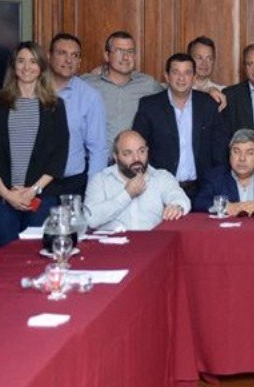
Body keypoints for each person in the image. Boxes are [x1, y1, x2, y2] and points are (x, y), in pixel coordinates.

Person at [132, 53, 229, 199]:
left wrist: (217, 186)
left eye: (187, 73)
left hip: (201, 190)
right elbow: (137, 148)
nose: (181, 78)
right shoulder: (149, 106)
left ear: (194, 77)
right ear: (167, 76)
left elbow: (220, 150)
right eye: (176, 72)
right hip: (159, 190)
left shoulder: (208, 105)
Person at [0, 42, 69, 246]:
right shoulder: (1, 103)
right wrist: (8, 195)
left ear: (41, 67)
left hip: (41, 198)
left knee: (36, 257)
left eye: (33, 61)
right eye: (21, 61)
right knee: (6, 260)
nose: (26, 67)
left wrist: (32, 191)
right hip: (4, 198)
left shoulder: (55, 106)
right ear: (13, 66)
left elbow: (59, 156)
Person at [85, 130, 190, 230]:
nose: (136, 159)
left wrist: (177, 206)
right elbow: (90, 219)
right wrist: (127, 194)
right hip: (112, 246)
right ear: (116, 157)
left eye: (141, 151)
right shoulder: (100, 180)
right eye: (128, 153)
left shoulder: (161, 177)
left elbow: (179, 197)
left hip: (152, 245)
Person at [82, 31, 162, 155]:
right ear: (107, 56)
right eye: (119, 51)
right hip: (95, 161)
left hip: (132, 162)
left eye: (130, 51)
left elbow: (173, 95)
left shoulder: (148, 84)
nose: (125, 57)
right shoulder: (88, 83)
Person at [48, 33, 108, 195]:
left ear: (79, 62)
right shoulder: (32, 90)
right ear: (49, 56)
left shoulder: (90, 96)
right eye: (62, 53)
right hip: (34, 184)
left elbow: (98, 148)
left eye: (75, 56)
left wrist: (93, 192)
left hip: (72, 183)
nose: (69, 60)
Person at [194, 129, 254, 215]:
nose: (242, 158)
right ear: (229, 154)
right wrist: (225, 207)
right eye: (236, 151)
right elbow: (199, 202)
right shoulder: (215, 177)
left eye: (249, 153)